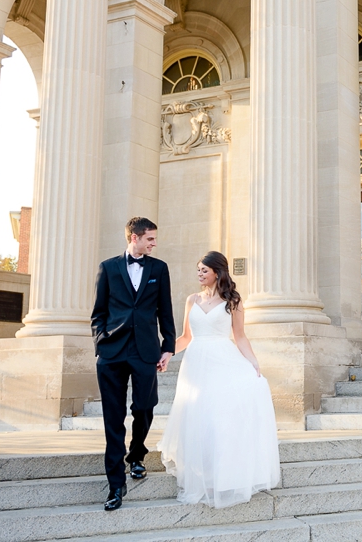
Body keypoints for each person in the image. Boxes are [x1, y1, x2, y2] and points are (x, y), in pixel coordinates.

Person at [157, 251, 281, 508]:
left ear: (217, 272)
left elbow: (240, 336)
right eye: (198, 270)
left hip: (222, 361)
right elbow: (186, 337)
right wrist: (167, 354)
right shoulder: (192, 300)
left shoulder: (233, 300)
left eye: (204, 270)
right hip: (195, 363)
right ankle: (200, 473)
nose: (199, 274)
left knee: (218, 417)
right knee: (197, 416)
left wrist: (253, 361)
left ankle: (221, 475)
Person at [90, 217, 176, 511]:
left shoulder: (159, 268)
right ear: (134, 237)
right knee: (113, 420)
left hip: (145, 351)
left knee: (144, 406)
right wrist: (99, 342)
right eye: (150, 238)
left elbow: (165, 309)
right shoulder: (108, 267)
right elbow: (98, 311)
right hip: (112, 351)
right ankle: (116, 485)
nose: (154, 243)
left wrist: (169, 347)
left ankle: (136, 455)